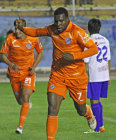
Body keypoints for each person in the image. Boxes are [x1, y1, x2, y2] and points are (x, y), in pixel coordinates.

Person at [16, 7, 98, 140]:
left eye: (61, 21)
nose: (58, 24)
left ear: (67, 20)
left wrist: (75, 56)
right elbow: (36, 32)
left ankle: (89, 115)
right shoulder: (52, 29)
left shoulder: (76, 31)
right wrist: (23, 29)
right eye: (56, 21)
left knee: (80, 109)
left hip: (76, 78)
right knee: (52, 107)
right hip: (57, 76)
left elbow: (94, 49)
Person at [0, 18, 43, 134]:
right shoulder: (10, 38)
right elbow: (2, 55)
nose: (17, 31)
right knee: (20, 101)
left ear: (24, 29)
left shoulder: (33, 38)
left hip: (28, 73)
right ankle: (26, 103)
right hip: (14, 74)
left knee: (25, 96)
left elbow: (40, 52)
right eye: (15, 28)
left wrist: (34, 66)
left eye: (19, 29)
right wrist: (11, 64)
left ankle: (20, 126)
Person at [84, 18, 111, 133]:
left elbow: (86, 61)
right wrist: (109, 76)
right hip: (104, 74)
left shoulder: (88, 41)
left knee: (94, 101)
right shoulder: (105, 40)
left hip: (94, 75)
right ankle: (101, 126)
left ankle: (96, 129)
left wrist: (84, 77)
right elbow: (108, 59)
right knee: (97, 101)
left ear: (89, 29)